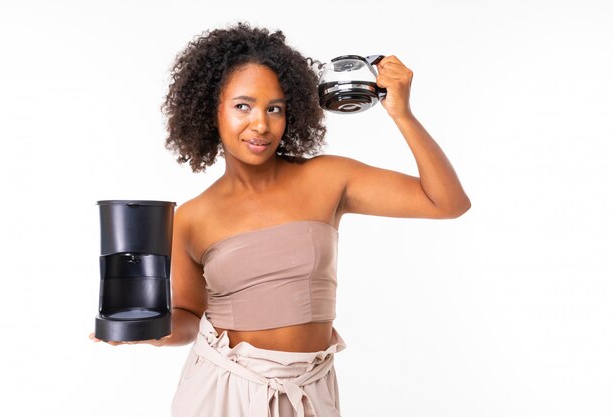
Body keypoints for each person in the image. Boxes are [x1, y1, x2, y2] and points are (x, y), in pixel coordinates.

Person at [91, 22, 470, 417]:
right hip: (225, 392)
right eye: (243, 106)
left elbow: (447, 202)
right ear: (210, 109)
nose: (261, 124)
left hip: (311, 392)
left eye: (275, 108)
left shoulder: (327, 178)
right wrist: (150, 333)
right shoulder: (190, 218)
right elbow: (187, 316)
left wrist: (402, 114)